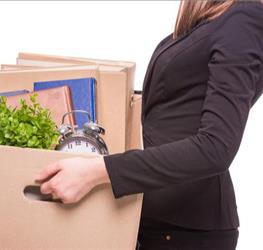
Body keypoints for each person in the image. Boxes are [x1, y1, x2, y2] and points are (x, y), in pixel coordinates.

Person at [35, 0, 263, 249]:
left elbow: (216, 148)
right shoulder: (214, 20)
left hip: (186, 228)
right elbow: (176, 108)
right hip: (156, 219)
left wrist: (96, 172)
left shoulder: (243, 18)